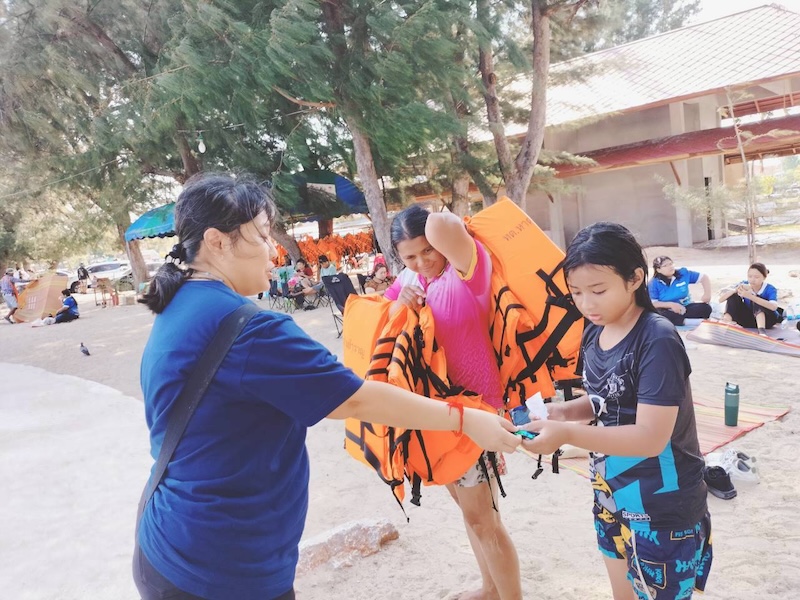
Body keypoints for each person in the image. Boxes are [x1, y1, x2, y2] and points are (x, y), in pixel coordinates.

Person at [134, 174, 521, 600]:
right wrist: (464, 419)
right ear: (218, 242)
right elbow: (354, 398)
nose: (273, 250)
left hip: (172, 543)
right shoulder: (250, 329)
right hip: (224, 567)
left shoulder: (179, 305)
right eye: (263, 235)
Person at [519, 222, 712, 600]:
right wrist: (563, 413)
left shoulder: (656, 339)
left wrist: (570, 435)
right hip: (610, 492)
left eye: (598, 290)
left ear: (635, 278)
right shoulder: (595, 329)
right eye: (576, 292)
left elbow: (651, 437)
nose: (586, 304)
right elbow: (603, 399)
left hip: (662, 506)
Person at [382, 205, 522, 600]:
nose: (422, 262)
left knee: (484, 520)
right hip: (438, 420)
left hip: (475, 414)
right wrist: (398, 301)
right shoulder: (408, 279)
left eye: (428, 250)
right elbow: (383, 319)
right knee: (470, 512)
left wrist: (440, 222)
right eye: (409, 256)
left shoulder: (467, 271)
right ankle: (490, 590)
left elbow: (450, 231)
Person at [648, 255, 712, 325]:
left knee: (706, 308)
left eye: (671, 264)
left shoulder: (683, 273)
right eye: (665, 265)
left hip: (684, 307)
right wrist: (671, 305)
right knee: (658, 314)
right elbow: (653, 303)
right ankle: (687, 322)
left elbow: (704, 277)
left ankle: (682, 320)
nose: (670, 267)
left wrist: (707, 294)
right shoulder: (653, 283)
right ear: (658, 270)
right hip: (666, 309)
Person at [718, 262, 780, 333]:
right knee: (734, 297)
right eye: (750, 276)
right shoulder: (744, 284)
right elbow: (720, 300)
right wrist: (736, 290)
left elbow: (774, 307)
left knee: (757, 299)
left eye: (756, 277)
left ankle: (762, 331)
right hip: (748, 319)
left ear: (764, 277)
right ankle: (726, 322)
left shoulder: (770, 289)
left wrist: (750, 296)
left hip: (767, 320)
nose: (752, 280)